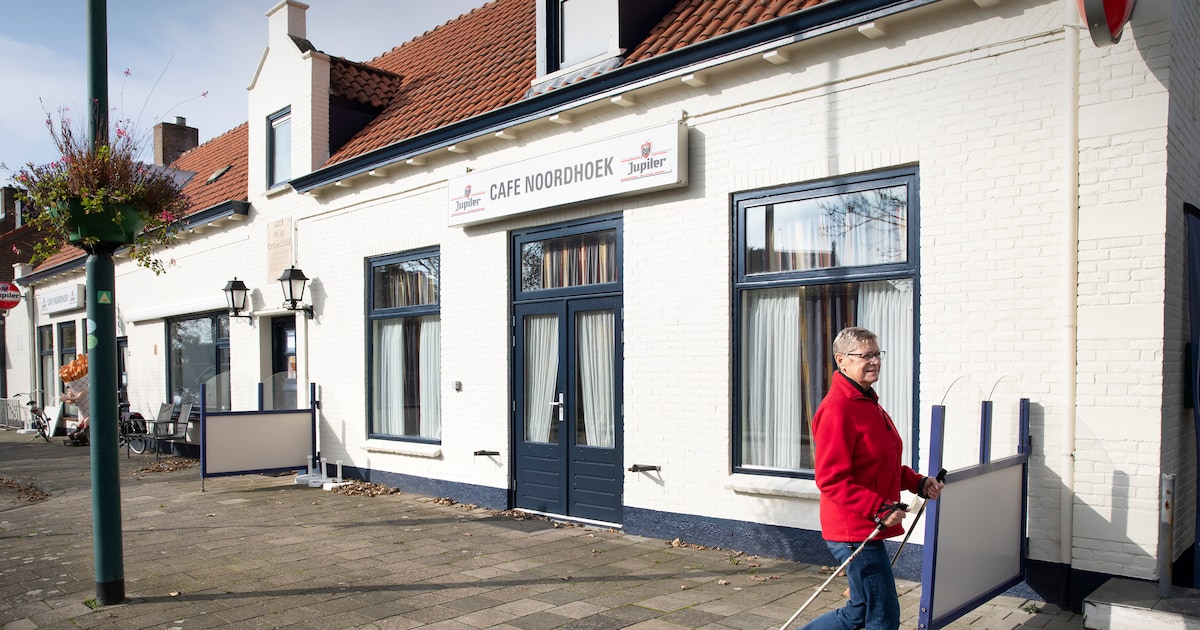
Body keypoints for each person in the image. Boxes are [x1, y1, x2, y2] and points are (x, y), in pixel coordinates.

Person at [799, 326, 944, 630]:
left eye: (877, 354)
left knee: (861, 610)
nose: (875, 361)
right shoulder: (838, 409)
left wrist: (918, 483)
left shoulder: (867, 402)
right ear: (842, 360)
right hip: (853, 530)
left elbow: (880, 465)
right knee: (883, 615)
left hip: (867, 524)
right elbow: (831, 479)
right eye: (866, 355)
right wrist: (879, 508)